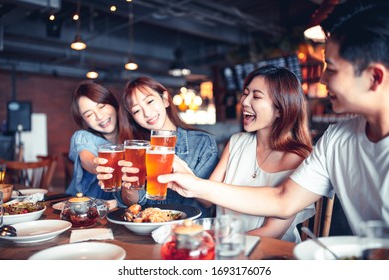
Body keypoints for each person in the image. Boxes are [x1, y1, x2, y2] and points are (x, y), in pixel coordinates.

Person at [159, 1, 389, 236]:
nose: (321, 80)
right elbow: (283, 200)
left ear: (374, 77)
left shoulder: (311, 149)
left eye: (331, 68)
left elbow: (275, 225)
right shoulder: (337, 138)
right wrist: (193, 184)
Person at [204, 65, 314, 242]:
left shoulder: (297, 159)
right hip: (223, 250)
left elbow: (272, 232)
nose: (245, 102)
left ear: (280, 109)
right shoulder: (236, 142)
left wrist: (218, 243)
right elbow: (206, 198)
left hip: (270, 255)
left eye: (256, 96)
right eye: (246, 93)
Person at [99, 76, 218, 217]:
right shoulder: (135, 150)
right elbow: (132, 203)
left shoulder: (203, 142)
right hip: (149, 230)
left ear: (165, 99)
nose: (147, 113)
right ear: (133, 119)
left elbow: (208, 202)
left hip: (189, 229)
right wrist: (129, 188)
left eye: (150, 101)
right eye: (137, 111)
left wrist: (184, 177)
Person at [66, 80, 119, 200]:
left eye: (101, 106)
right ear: (84, 121)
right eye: (89, 114)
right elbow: (86, 159)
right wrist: (97, 166)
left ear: (113, 104)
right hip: (81, 205)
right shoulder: (82, 136)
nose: (99, 117)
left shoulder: (133, 141)